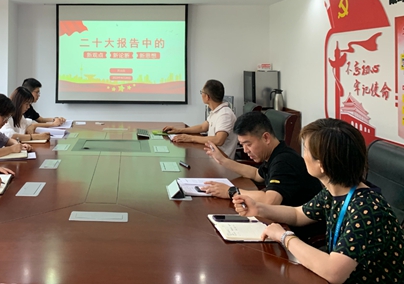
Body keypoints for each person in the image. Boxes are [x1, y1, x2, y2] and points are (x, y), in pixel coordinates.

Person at [233, 118, 404, 283]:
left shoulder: (366, 209)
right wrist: (258, 208)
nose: (303, 156)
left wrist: (284, 236)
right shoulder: (334, 190)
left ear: (321, 164)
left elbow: (333, 272)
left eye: (306, 150)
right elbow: (298, 214)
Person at [202, 111, 321, 206]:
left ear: (266, 138)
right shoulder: (275, 153)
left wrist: (230, 191)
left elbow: (270, 200)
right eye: (242, 145)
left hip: (298, 227)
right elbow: (256, 174)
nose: (245, 150)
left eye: (248, 144)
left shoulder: (284, 161)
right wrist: (223, 160)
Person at [162, 79, 238, 158]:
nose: (201, 94)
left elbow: (218, 140)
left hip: (220, 160)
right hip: (211, 154)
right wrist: (178, 130)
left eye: (202, 92)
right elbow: (202, 127)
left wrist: (191, 138)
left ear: (207, 97)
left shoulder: (225, 114)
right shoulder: (216, 111)